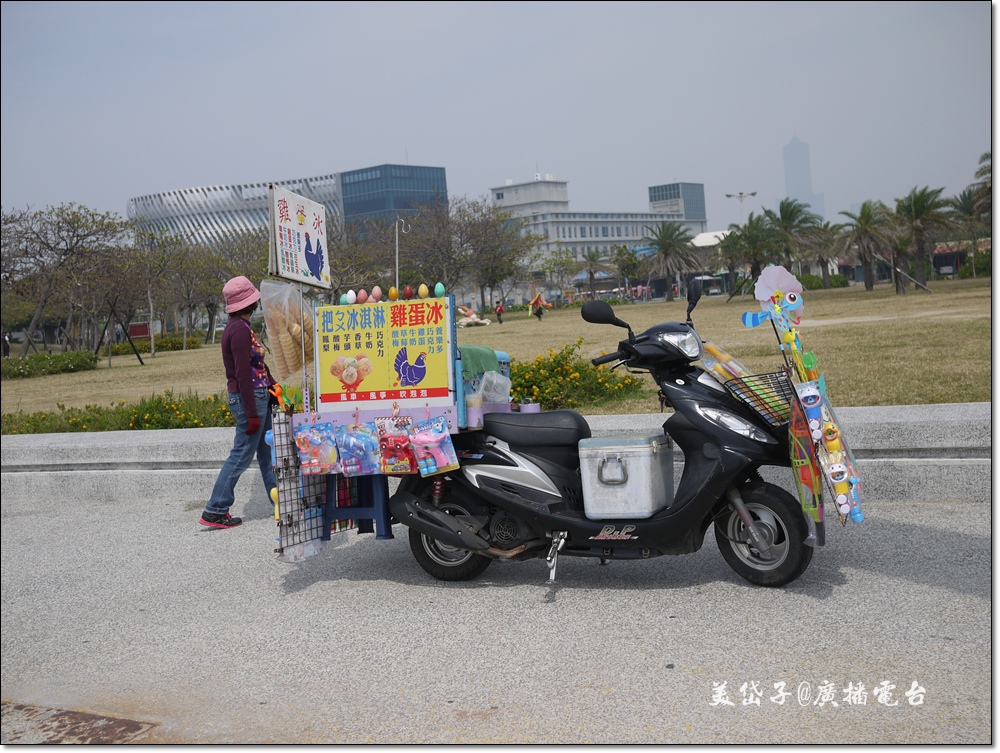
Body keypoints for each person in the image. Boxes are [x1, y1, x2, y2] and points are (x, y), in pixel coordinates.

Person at [200, 276, 277, 529]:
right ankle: (215, 509)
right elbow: (243, 374)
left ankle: (280, 501)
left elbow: (258, 366)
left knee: (267, 453)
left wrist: (273, 386)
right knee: (242, 454)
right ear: (250, 302)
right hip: (250, 398)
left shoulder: (239, 327)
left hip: (256, 395)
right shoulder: (239, 331)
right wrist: (253, 413)